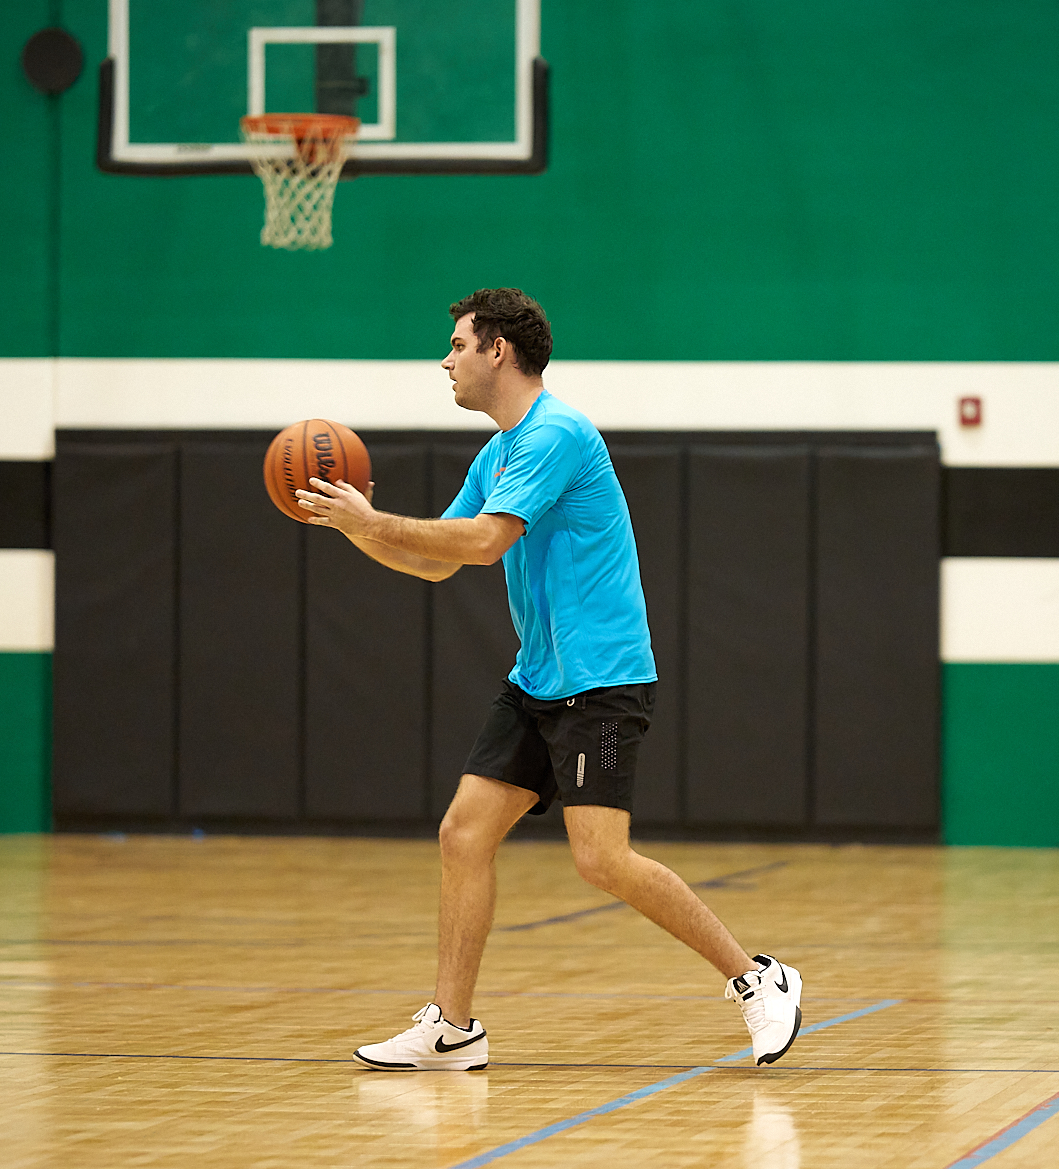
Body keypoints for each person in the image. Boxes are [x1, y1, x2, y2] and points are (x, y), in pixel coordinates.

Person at [299, 288, 805, 1071]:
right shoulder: (498, 453)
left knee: (602, 858)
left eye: (458, 345)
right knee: (464, 834)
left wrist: (372, 522)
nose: (446, 360)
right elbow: (436, 561)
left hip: (603, 685)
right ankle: (452, 1028)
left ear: (497, 350)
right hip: (537, 682)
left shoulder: (555, 433)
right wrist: (353, 526)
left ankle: (757, 977)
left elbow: (482, 542)